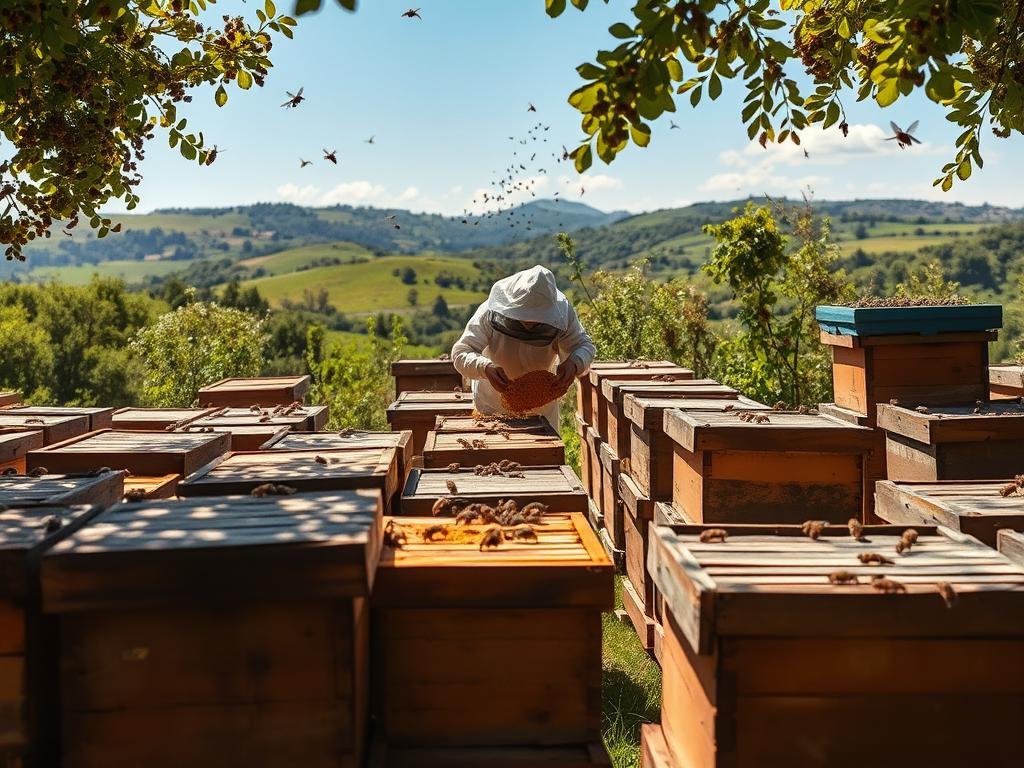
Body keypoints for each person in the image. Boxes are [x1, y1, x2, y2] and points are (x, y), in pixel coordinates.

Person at [451, 264, 596, 429]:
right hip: (491, 410)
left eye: (538, 318)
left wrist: (574, 363)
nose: (530, 323)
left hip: (542, 411)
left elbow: (584, 346)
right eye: (524, 316)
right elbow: (461, 352)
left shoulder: (563, 313)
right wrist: (485, 367)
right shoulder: (488, 312)